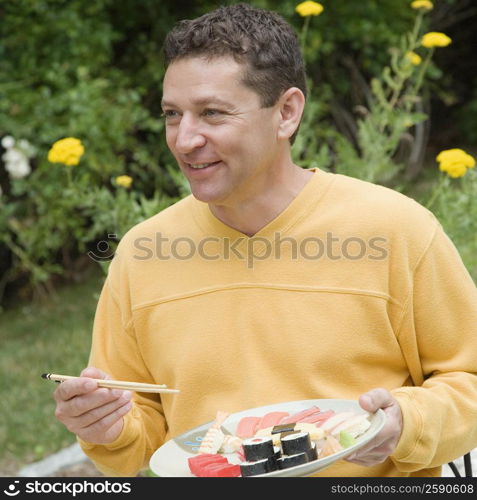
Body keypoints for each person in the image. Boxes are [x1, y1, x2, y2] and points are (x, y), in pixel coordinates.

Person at [51, 3, 477, 477]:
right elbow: (143, 430)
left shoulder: (396, 229)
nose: (184, 138)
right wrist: (107, 428)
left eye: (212, 113)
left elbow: (469, 379)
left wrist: (408, 422)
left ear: (287, 113)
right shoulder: (141, 253)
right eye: (173, 114)